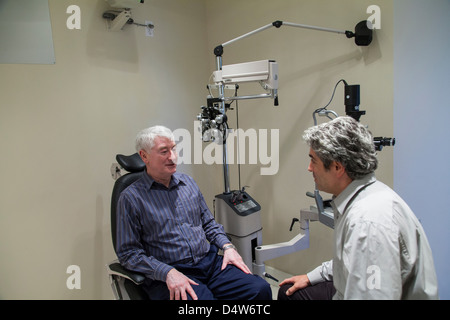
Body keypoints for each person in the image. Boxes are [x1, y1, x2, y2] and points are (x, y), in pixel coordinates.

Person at [278, 116, 439, 300]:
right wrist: (310, 277)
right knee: (289, 292)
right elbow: (351, 263)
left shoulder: (368, 223)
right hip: (348, 290)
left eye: (313, 161)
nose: (309, 168)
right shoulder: (362, 196)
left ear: (338, 167)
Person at [116, 125, 272, 300]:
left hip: (209, 263)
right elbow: (129, 254)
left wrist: (228, 247)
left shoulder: (188, 183)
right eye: (164, 151)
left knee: (260, 289)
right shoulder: (131, 198)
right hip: (171, 272)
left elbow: (209, 223)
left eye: (174, 149)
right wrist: (167, 272)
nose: (172, 157)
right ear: (144, 156)